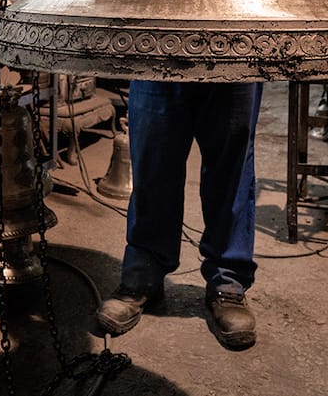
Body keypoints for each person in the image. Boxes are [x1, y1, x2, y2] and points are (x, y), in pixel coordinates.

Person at [95, 80, 263, 350]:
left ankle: (228, 279)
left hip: (238, 57)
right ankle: (143, 273)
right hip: (155, 56)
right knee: (153, 157)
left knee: (231, 162)